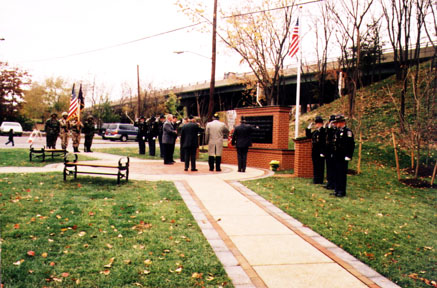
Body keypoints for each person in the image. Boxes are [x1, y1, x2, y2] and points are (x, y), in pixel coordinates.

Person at [332, 114, 355, 197]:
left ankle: (342, 191)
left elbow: (350, 145)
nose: (336, 124)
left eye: (337, 122)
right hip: (337, 156)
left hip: (343, 156)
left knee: (342, 174)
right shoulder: (337, 131)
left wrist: (348, 155)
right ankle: (337, 189)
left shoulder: (347, 132)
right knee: (336, 173)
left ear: (342, 122)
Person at [305, 116, 326, 184]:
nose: (316, 125)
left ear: (320, 123)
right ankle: (316, 179)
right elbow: (309, 136)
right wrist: (308, 128)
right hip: (315, 151)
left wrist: (323, 152)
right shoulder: (316, 132)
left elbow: (324, 142)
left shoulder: (323, 131)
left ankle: (320, 180)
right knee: (315, 165)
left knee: (320, 166)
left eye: (317, 123)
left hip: (320, 151)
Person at [324, 115, 337, 190]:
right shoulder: (328, 129)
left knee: (333, 169)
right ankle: (329, 182)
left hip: (333, 151)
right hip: (328, 151)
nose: (332, 124)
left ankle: (333, 183)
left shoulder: (336, 130)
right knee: (329, 168)